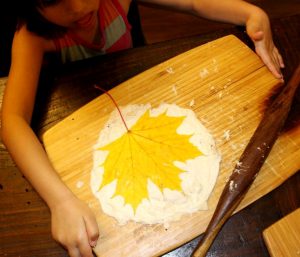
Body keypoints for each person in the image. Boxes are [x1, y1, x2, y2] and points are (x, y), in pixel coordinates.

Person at [1, 0, 284, 256]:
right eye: (57, 0)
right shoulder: (32, 38)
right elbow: (12, 121)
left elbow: (196, 3)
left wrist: (252, 12)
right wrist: (60, 201)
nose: (79, 6)